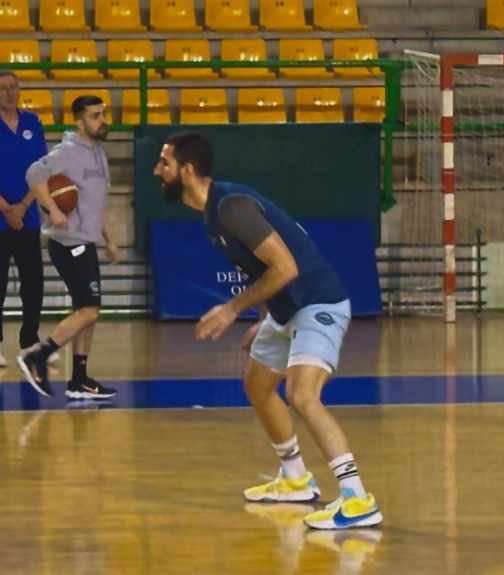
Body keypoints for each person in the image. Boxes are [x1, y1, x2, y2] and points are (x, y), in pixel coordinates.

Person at [153, 130, 382, 530]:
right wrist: (264, 318)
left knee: (301, 394)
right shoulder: (213, 212)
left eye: (164, 163)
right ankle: (295, 478)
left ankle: (357, 498)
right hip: (284, 310)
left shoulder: (231, 207)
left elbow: (286, 267)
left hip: (318, 303)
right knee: (258, 387)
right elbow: (261, 268)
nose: (158, 170)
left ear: (186, 171)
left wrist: (232, 309)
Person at [16, 95, 121, 400]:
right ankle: (37, 355)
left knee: (87, 311)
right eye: (94, 116)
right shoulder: (68, 152)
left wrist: (109, 239)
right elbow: (33, 174)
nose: (101, 120)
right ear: (80, 122)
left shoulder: (99, 155)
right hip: (69, 244)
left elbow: (98, 203)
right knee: (89, 310)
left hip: (86, 242)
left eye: (103, 114)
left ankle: (79, 379)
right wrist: (52, 208)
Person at [0, 70, 54, 368]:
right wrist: (6, 209)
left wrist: (24, 205)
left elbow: (41, 167)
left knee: (33, 282)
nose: (9, 92)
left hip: (27, 217)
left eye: (13, 87)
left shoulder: (33, 123)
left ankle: (30, 340)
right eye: (3, 88)